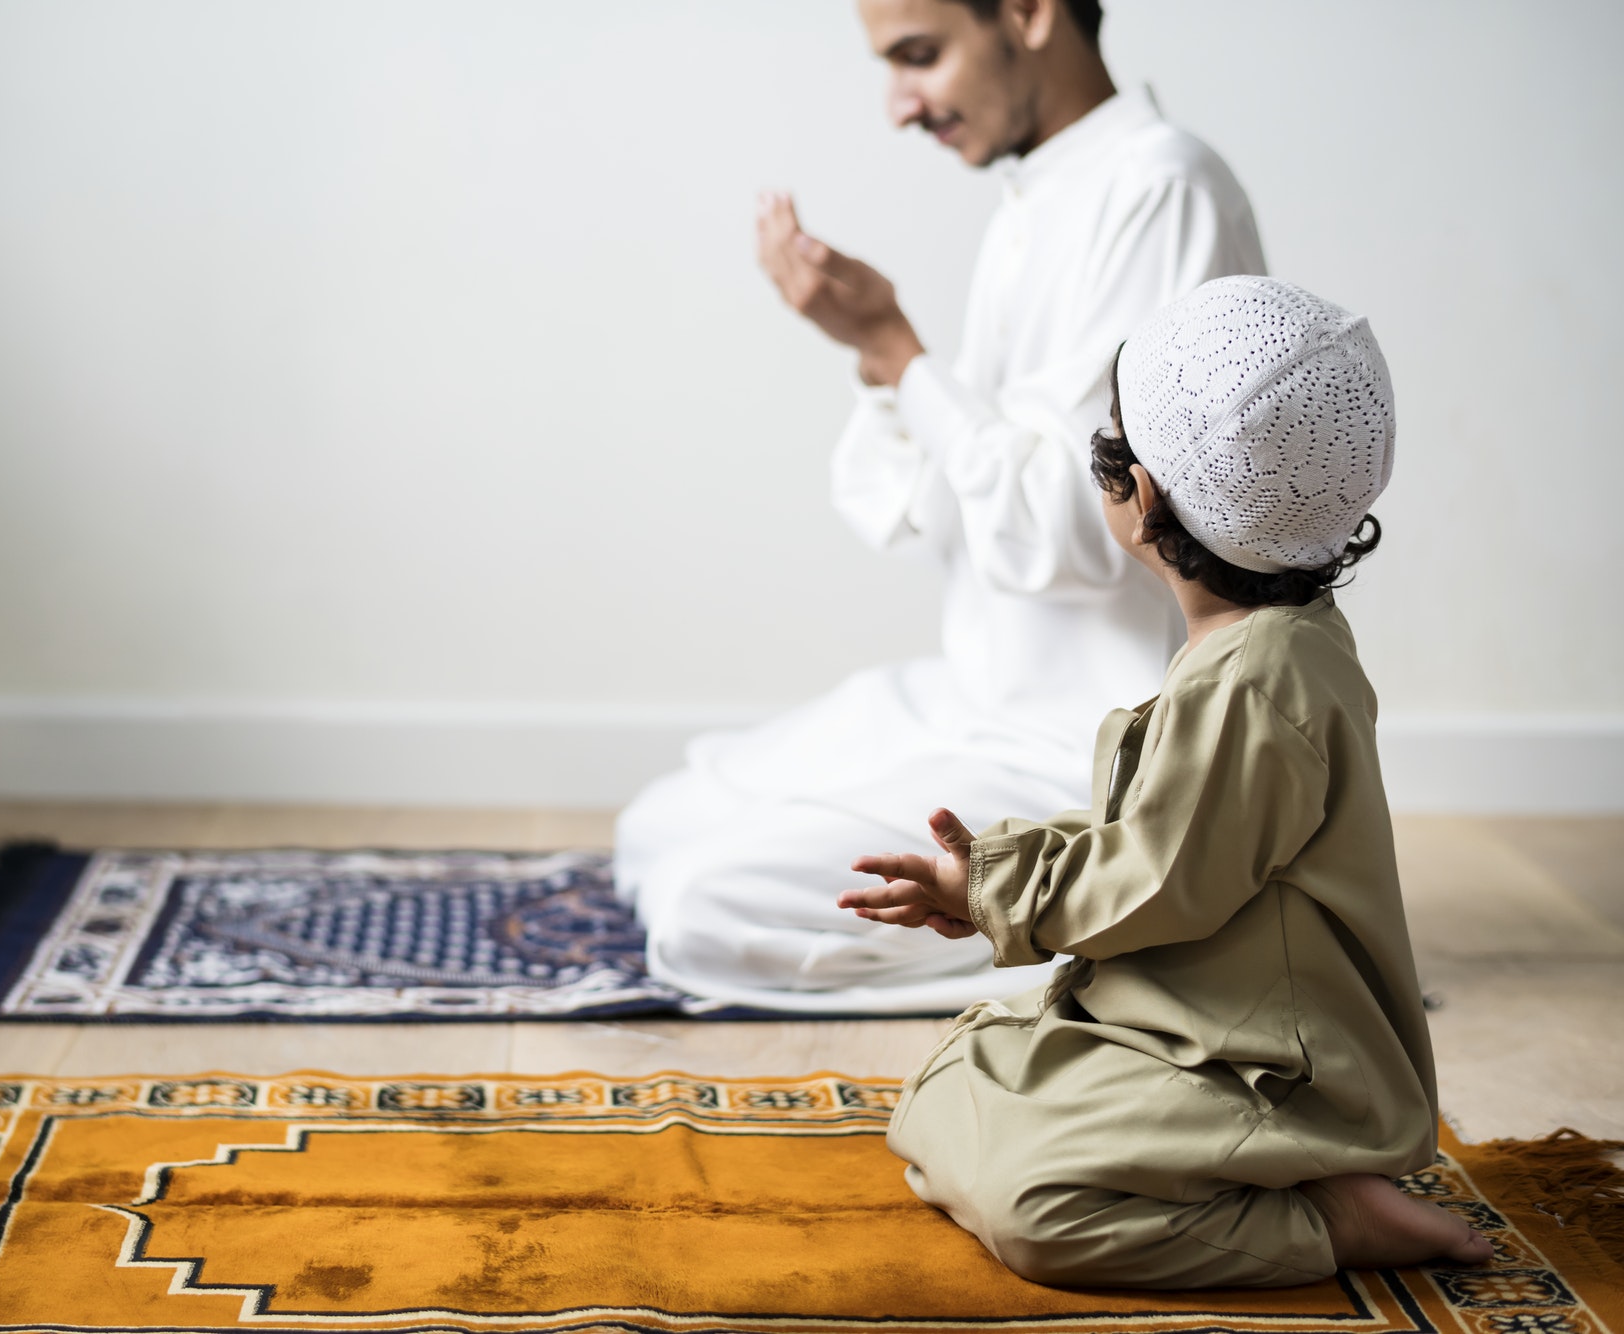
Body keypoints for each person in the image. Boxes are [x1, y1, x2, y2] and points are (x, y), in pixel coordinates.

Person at [614, 0, 1266, 1012]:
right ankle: (1057, 912)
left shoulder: (1158, 189)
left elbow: (1081, 535)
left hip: (1089, 743)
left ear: (1027, 13)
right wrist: (881, 367)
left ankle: (1131, 919)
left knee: (703, 905)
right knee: (655, 828)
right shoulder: (1036, 199)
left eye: (918, 57)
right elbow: (944, 520)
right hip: (976, 697)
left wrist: (897, 354)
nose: (898, 106)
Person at [841, 276, 1492, 1286]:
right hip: (1184, 1019)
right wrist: (998, 870)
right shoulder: (1261, 645)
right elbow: (1164, 831)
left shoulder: (1259, 677)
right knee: (946, 1086)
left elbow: (1160, 871)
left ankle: (1323, 1214)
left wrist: (998, 894)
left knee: (1037, 1208)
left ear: (1138, 498)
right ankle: (1231, 1168)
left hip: (1273, 1067)